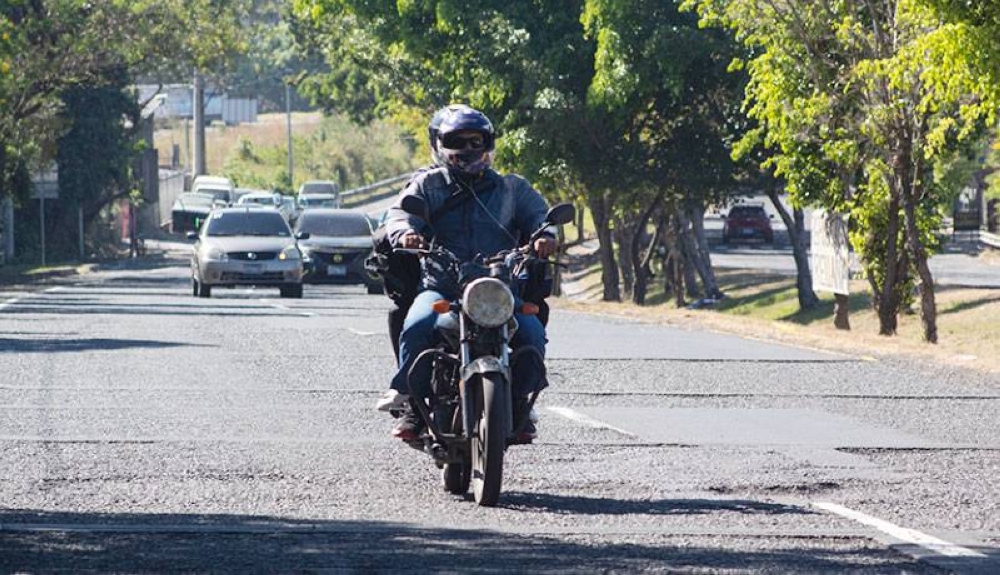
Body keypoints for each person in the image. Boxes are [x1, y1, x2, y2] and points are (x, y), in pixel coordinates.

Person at [375, 105, 557, 442]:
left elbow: (540, 217)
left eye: (476, 141)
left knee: (530, 332)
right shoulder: (428, 185)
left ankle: (519, 403)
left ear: (488, 143)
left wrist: (545, 236)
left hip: (498, 288)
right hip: (442, 287)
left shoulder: (512, 188)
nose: (470, 149)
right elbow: (400, 215)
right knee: (418, 325)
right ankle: (413, 403)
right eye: (460, 141)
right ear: (442, 144)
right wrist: (406, 234)